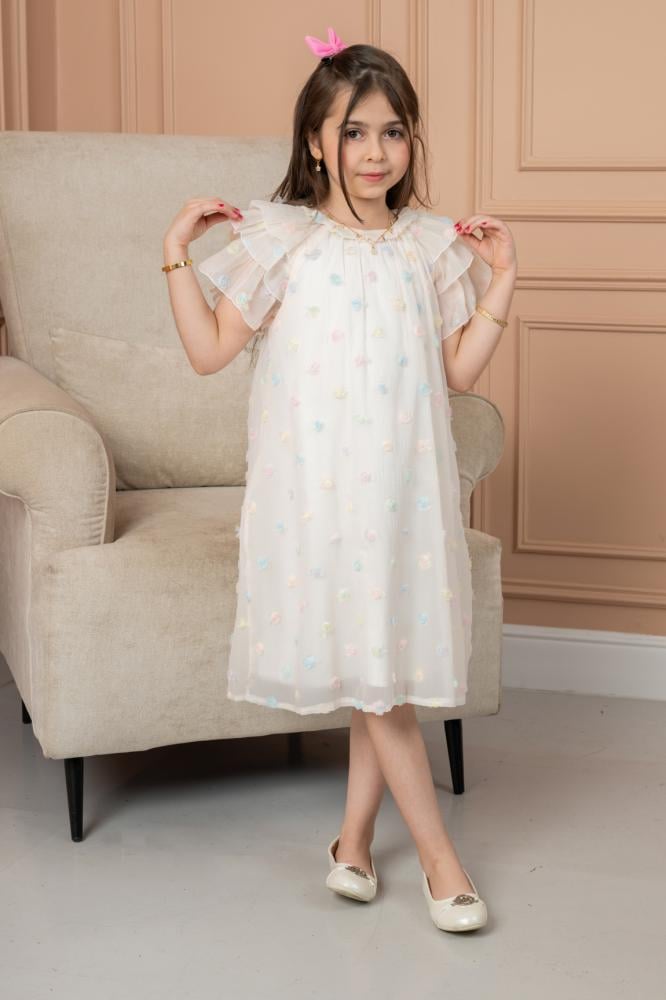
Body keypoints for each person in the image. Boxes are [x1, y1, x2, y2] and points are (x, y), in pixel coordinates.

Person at [162, 26, 517, 933]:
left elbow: (457, 370)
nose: (374, 153)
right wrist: (176, 256)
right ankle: (440, 862)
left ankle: (352, 844)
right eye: (354, 132)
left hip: (401, 495)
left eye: (392, 132)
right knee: (379, 681)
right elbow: (209, 352)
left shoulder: (428, 246)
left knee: (377, 667)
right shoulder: (282, 239)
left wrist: (501, 284)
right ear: (317, 141)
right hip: (317, 498)